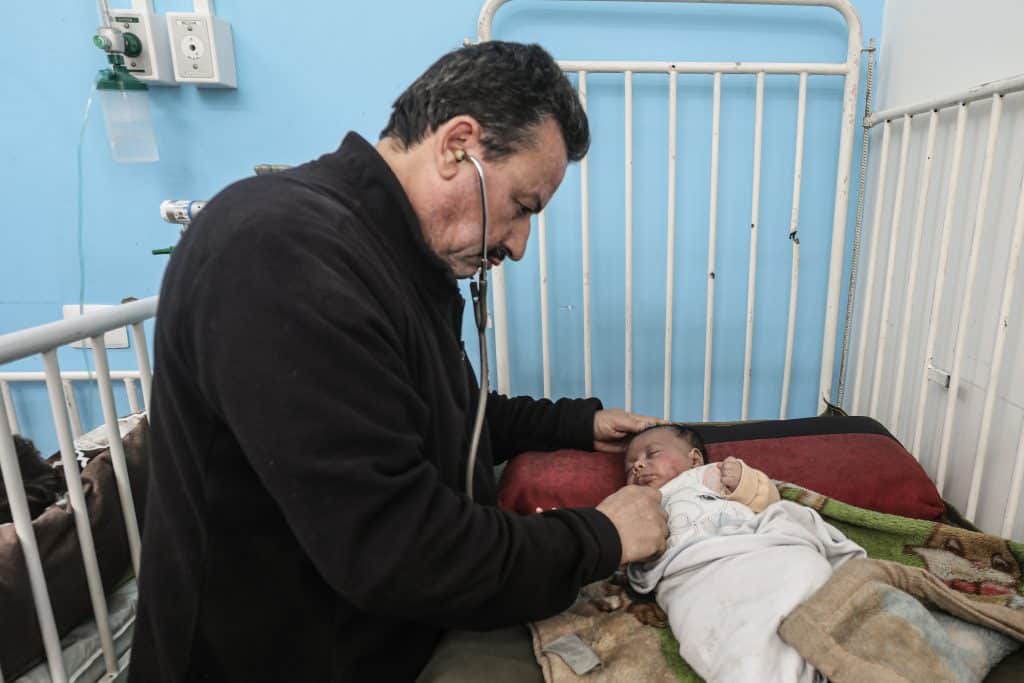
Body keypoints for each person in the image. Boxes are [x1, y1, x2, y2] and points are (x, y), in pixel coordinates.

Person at [129, 41, 669, 682]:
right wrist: (600, 538)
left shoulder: (397, 263)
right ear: (457, 145)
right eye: (523, 206)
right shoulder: (281, 253)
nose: (520, 245)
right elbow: (399, 549)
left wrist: (575, 425)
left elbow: (437, 418)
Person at [624, 424, 865, 683]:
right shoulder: (634, 502)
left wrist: (743, 481)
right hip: (692, 575)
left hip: (755, 550)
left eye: (652, 454)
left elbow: (766, 499)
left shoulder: (708, 475)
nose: (638, 465)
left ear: (694, 459)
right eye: (629, 466)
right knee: (715, 632)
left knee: (803, 568)